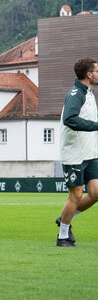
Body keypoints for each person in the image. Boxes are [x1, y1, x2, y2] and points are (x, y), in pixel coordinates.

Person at [56, 58, 98, 247]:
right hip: (74, 154)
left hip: (90, 153)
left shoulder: (90, 93)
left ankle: (66, 217)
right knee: (76, 195)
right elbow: (70, 119)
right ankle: (63, 236)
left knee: (96, 193)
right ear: (89, 74)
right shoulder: (76, 94)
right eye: (97, 70)